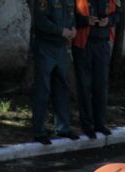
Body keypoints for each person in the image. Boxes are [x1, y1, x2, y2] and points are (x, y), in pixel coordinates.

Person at [30, 0, 78, 144]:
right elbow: (40, 21)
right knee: (42, 89)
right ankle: (39, 131)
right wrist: (61, 31)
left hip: (61, 48)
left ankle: (63, 128)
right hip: (45, 46)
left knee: (62, 88)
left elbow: (72, 17)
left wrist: (73, 29)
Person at [72, 0, 119, 138]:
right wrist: (85, 20)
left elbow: (118, 14)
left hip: (102, 43)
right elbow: (68, 16)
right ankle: (87, 125)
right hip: (83, 44)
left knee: (101, 85)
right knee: (84, 85)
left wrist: (109, 20)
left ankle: (100, 123)